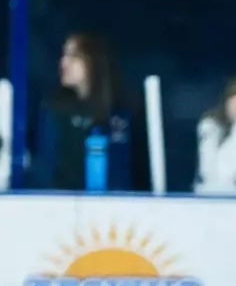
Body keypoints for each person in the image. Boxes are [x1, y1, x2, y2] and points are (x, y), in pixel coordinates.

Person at [31, 33, 149, 192]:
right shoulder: (54, 111)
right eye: (64, 55)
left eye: (74, 56)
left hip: (118, 211)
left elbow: (139, 171)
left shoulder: (123, 112)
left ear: (93, 61)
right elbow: (44, 170)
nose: (64, 62)